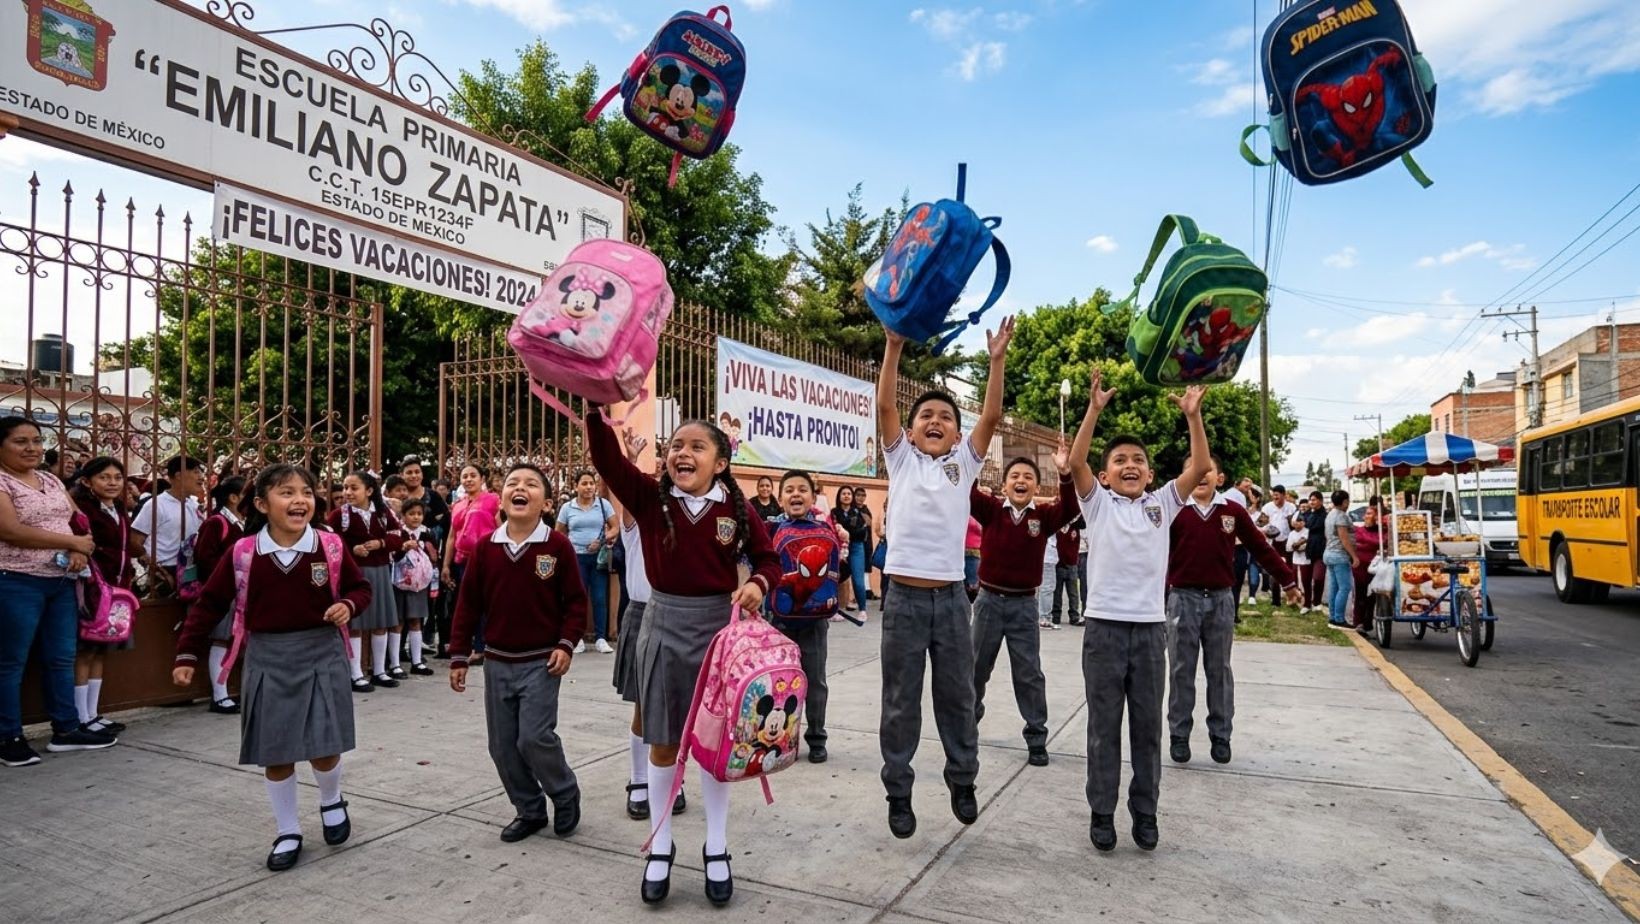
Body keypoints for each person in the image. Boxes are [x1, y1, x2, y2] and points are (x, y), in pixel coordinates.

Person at [586, 408, 779, 906]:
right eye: (675, 445)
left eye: (696, 447)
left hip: (719, 633)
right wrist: (594, 410)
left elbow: (769, 558)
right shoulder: (652, 500)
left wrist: (758, 583)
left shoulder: (736, 510)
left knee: (718, 747)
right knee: (664, 743)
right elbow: (607, 460)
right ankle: (661, 844)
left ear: (720, 462)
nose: (681, 453)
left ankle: (716, 845)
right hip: (663, 626)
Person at [173, 463, 371, 871]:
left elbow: (359, 588)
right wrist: (187, 654)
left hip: (321, 652)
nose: (300, 500)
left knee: (324, 745)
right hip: (268, 656)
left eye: (307, 492)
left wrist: (347, 605)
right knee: (275, 750)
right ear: (262, 504)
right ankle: (287, 830)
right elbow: (209, 605)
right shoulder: (244, 554)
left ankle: (331, 801)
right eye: (286, 492)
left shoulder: (330, 547)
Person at [874, 317, 1012, 839]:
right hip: (905, 601)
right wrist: (893, 345)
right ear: (909, 432)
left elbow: (993, 414)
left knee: (957, 697)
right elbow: (886, 405)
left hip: (953, 601)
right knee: (900, 700)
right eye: (926, 415)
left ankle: (962, 779)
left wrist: (995, 360)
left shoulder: (964, 465)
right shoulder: (902, 460)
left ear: (957, 434)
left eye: (945, 418)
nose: (935, 421)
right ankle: (899, 791)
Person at [1065, 371, 1212, 854]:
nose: (1131, 465)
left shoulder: (1163, 504)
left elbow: (1201, 466)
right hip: (1104, 631)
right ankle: (1101, 813)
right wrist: (1093, 410)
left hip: (1150, 634)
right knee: (1103, 728)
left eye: (1139, 461)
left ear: (1150, 473)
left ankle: (1145, 813)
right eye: (1120, 461)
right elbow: (1077, 461)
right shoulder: (1098, 504)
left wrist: (1194, 417)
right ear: (1106, 475)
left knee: (1147, 730)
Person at [449, 463, 587, 843]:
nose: (520, 488)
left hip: (542, 661)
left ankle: (564, 792)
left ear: (545, 501)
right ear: (503, 497)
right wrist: (459, 654)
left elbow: (576, 602)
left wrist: (566, 643)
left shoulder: (556, 546)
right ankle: (529, 808)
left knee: (534, 737)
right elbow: (468, 606)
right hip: (497, 661)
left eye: (530, 484)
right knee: (502, 745)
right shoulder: (485, 548)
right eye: (512, 483)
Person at [1166, 457, 1298, 767]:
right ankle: (1179, 735)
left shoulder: (1232, 511)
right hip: (1181, 599)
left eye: (1207, 469)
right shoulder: (1174, 511)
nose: (1200, 475)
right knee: (1180, 669)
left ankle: (1221, 735)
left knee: (1219, 670)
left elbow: (1261, 548)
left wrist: (1288, 581)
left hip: (1221, 600)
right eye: (1192, 469)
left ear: (1220, 477)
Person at [0, 416, 116, 767]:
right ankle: (9, 736)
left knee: (61, 657)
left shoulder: (50, 479)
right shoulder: (2, 482)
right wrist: (71, 542)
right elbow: (11, 530)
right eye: (21, 441)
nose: (32, 448)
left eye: (36, 440)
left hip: (62, 580)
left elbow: (77, 520)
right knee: (10, 662)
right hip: (16, 579)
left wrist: (80, 549)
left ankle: (66, 729)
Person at [970, 450, 1078, 766]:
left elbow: (1070, 507)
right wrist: (971, 458)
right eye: (1015, 476)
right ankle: (968, 723)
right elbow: (966, 489)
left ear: (1036, 487)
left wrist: (1065, 474)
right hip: (989, 603)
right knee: (976, 668)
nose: (1021, 481)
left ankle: (1036, 737)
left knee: (1029, 673)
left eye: (1028, 477)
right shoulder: (991, 510)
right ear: (1004, 486)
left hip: (1024, 607)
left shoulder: (1042, 517)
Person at [607, 428, 686, 822]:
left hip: (682, 615)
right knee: (645, 705)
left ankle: (675, 774)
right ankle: (639, 779)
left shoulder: (685, 516)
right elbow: (623, 489)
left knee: (683, 706)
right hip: (644, 614)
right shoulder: (639, 518)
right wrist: (629, 456)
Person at [69, 457, 145, 736]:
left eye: (117, 477)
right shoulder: (84, 511)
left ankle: (92, 713)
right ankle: (80, 716)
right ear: (88, 482)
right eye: (104, 477)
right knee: (85, 650)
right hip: (91, 589)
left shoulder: (119, 509)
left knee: (103, 649)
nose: (112, 483)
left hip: (117, 589)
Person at [769, 470, 841, 764]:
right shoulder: (770, 530)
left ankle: (817, 738)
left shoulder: (827, 529)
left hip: (814, 621)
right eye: (789, 490)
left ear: (813, 497)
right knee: (780, 682)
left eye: (802, 490)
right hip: (779, 622)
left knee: (815, 681)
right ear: (780, 498)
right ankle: (782, 738)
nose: (795, 494)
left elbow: (837, 572)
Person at [327, 471, 406, 691]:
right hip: (355, 574)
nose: (347, 492)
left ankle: (379, 670)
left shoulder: (382, 513)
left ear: (369, 491)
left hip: (379, 571)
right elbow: (331, 540)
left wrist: (381, 544)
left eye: (354, 488)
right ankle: (356, 673)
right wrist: (351, 549)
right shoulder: (339, 515)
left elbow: (398, 537)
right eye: (345, 487)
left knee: (380, 623)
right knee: (356, 625)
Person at [191, 476, 249, 714]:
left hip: (243, 590)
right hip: (226, 591)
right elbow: (205, 558)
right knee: (222, 639)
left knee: (238, 641)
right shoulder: (217, 523)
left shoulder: (241, 523)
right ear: (234, 497)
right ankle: (219, 694)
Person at [555, 470, 617, 655]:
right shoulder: (568, 508)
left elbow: (615, 526)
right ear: (576, 486)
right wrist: (568, 547)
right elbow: (558, 533)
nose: (589, 487)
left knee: (599, 598)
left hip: (598, 558)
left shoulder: (603, 505)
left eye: (591, 483)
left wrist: (604, 539)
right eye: (584, 483)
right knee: (576, 599)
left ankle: (600, 638)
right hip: (576, 559)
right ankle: (577, 638)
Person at [442, 465, 499, 661]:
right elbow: (451, 536)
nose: (468, 479)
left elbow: (501, 528)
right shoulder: (458, 504)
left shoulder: (493, 500)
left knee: (484, 604)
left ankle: (481, 647)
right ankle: (463, 644)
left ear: (482, 478)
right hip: (462, 560)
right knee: (465, 603)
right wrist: (446, 565)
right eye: (464, 476)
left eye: (472, 475)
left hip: (487, 559)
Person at [132, 454, 205, 596]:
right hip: (163, 573)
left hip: (190, 570)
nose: (201, 477)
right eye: (196, 471)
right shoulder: (156, 505)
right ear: (178, 475)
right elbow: (134, 541)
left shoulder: (193, 505)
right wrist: (154, 567)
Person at [395, 499, 438, 675]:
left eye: (419, 514)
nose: (416, 517)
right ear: (403, 516)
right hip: (400, 583)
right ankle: (395, 663)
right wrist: (404, 548)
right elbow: (394, 556)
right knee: (397, 622)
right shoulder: (398, 533)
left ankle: (417, 661)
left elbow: (434, 556)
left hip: (419, 584)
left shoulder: (426, 533)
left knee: (416, 621)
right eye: (411, 514)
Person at [1322, 490, 1359, 628]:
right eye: (1347, 501)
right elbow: (1344, 538)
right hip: (1339, 555)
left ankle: (1333, 616)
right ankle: (1338, 618)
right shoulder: (1341, 517)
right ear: (1344, 502)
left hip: (1329, 553)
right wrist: (1354, 556)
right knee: (1345, 587)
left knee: (1334, 587)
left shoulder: (1330, 515)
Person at [1259, 486, 1300, 606]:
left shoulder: (1291, 507)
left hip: (1287, 542)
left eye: (1277, 495)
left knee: (1289, 569)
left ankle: (1291, 597)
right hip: (1273, 542)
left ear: (1283, 495)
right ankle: (1275, 600)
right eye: (1273, 495)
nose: (1275, 497)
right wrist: (1266, 529)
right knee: (1275, 570)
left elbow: (1294, 524)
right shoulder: (1267, 507)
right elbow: (1260, 522)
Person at [398, 457, 449, 543]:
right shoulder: (396, 498)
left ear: (422, 474)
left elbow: (445, 525)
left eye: (417, 472)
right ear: (401, 475)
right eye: (409, 473)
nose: (414, 475)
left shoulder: (433, 496)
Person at [833, 485, 865, 614]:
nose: (846, 496)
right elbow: (833, 530)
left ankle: (862, 609)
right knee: (835, 578)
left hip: (856, 548)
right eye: (843, 493)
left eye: (849, 494)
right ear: (839, 496)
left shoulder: (857, 513)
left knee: (858, 580)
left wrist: (846, 532)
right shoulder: (834, 512)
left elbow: (862, 533)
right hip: (837, 548)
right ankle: (834, 608)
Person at [1351, 506, 1384, 631]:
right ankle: (1358, 622)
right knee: (1360, 595)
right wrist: (1371, 543)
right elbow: (1372, 542)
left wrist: (1367, 543)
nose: (1366, 516)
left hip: (1376, 567)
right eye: (1366, 514)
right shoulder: (1358, 530)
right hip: (1360, 567)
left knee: (1372, 597)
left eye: (1370, 514)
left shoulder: (1382, 531)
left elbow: (1381, 541)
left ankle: (1367, 622)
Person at [1297, 491, 1328, 613]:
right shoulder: (1309, 514)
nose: (1311, 502)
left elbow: (1311, 526)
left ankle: (1317, 601)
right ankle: (1307, 603)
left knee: (1318, 578)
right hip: (1308, 550)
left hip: (1320, 550)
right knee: (1305, 578)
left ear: (1320, 501)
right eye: (1310, 500)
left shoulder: (1324, 515)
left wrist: (1306, 524)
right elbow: (1303, 524)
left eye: (1314, 500)